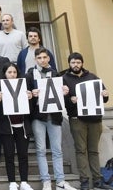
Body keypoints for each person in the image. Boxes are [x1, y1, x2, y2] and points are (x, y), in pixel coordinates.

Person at [26, 48, 76, 190]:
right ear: (36, 59)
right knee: (41, 149)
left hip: (54, 116)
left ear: (48, 58)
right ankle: (46, 180)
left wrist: (65, 92)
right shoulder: (30, 74)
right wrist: (31, 94)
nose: (42, 60)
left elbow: (62, 97)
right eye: (39, 58)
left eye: (44, 57)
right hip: (38, 116)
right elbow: (25, 95)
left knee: (57, 149)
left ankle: (60, 181)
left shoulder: (56, 74)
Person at [63, 52, 112, 190]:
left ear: (82, 63)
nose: (76, 65)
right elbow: (62, 100)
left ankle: (97, 180)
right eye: (73, 62)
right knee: (81, 150)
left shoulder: (93, 77)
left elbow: (103, 97)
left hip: (95, 120)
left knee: (94, 151)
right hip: (77, 119)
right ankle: (84, 180)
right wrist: (69, 99)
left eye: (78, 62)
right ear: (69, 64)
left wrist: (105, 95)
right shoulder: (64, 79)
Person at [0, 63, 34, 190]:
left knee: (23, 155)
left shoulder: (24, 87)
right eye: (9, 72)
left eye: (14, 72)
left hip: (22, 126)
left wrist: (30, 98)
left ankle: (24, 181)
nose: (12, 75)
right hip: (6, 128)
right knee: (9, 155)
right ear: (4, 74)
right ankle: (12, 182)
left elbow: (30, 110)